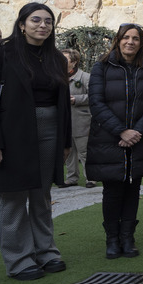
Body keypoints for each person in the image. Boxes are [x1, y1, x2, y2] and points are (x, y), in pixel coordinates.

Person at [0, 2, 71, 281]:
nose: (42, 25)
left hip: (50, 129)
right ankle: (19, 259)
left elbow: (63, 103)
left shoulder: (57, 58)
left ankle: (46, 251)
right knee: (14, 195)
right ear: (21, 24)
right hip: (13, 132)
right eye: (36, 20)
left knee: (41, 194)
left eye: (48, 22)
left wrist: (65, 142)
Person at [86, 23, 143, 259]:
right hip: (110, 138)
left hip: (139, 138)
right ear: (118, 40)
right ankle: (112, 239)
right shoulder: (102, 68)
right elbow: (96, 103)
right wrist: (121, 131)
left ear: (141, 42)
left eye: (135, 38)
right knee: (113, 190)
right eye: (126, 37)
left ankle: (128, 237)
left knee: (133, 188)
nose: (131, 42)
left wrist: (136, 131)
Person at [63, 49, 94, 188]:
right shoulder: (58, 77)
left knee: (84, 151)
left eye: (64, 60)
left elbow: (94, 96)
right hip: (65, 120)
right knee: (68, 150)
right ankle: (71, 177)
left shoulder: (86, 77)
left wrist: (77, 99)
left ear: (74, 62)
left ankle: (91, 178)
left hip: (82, 119)